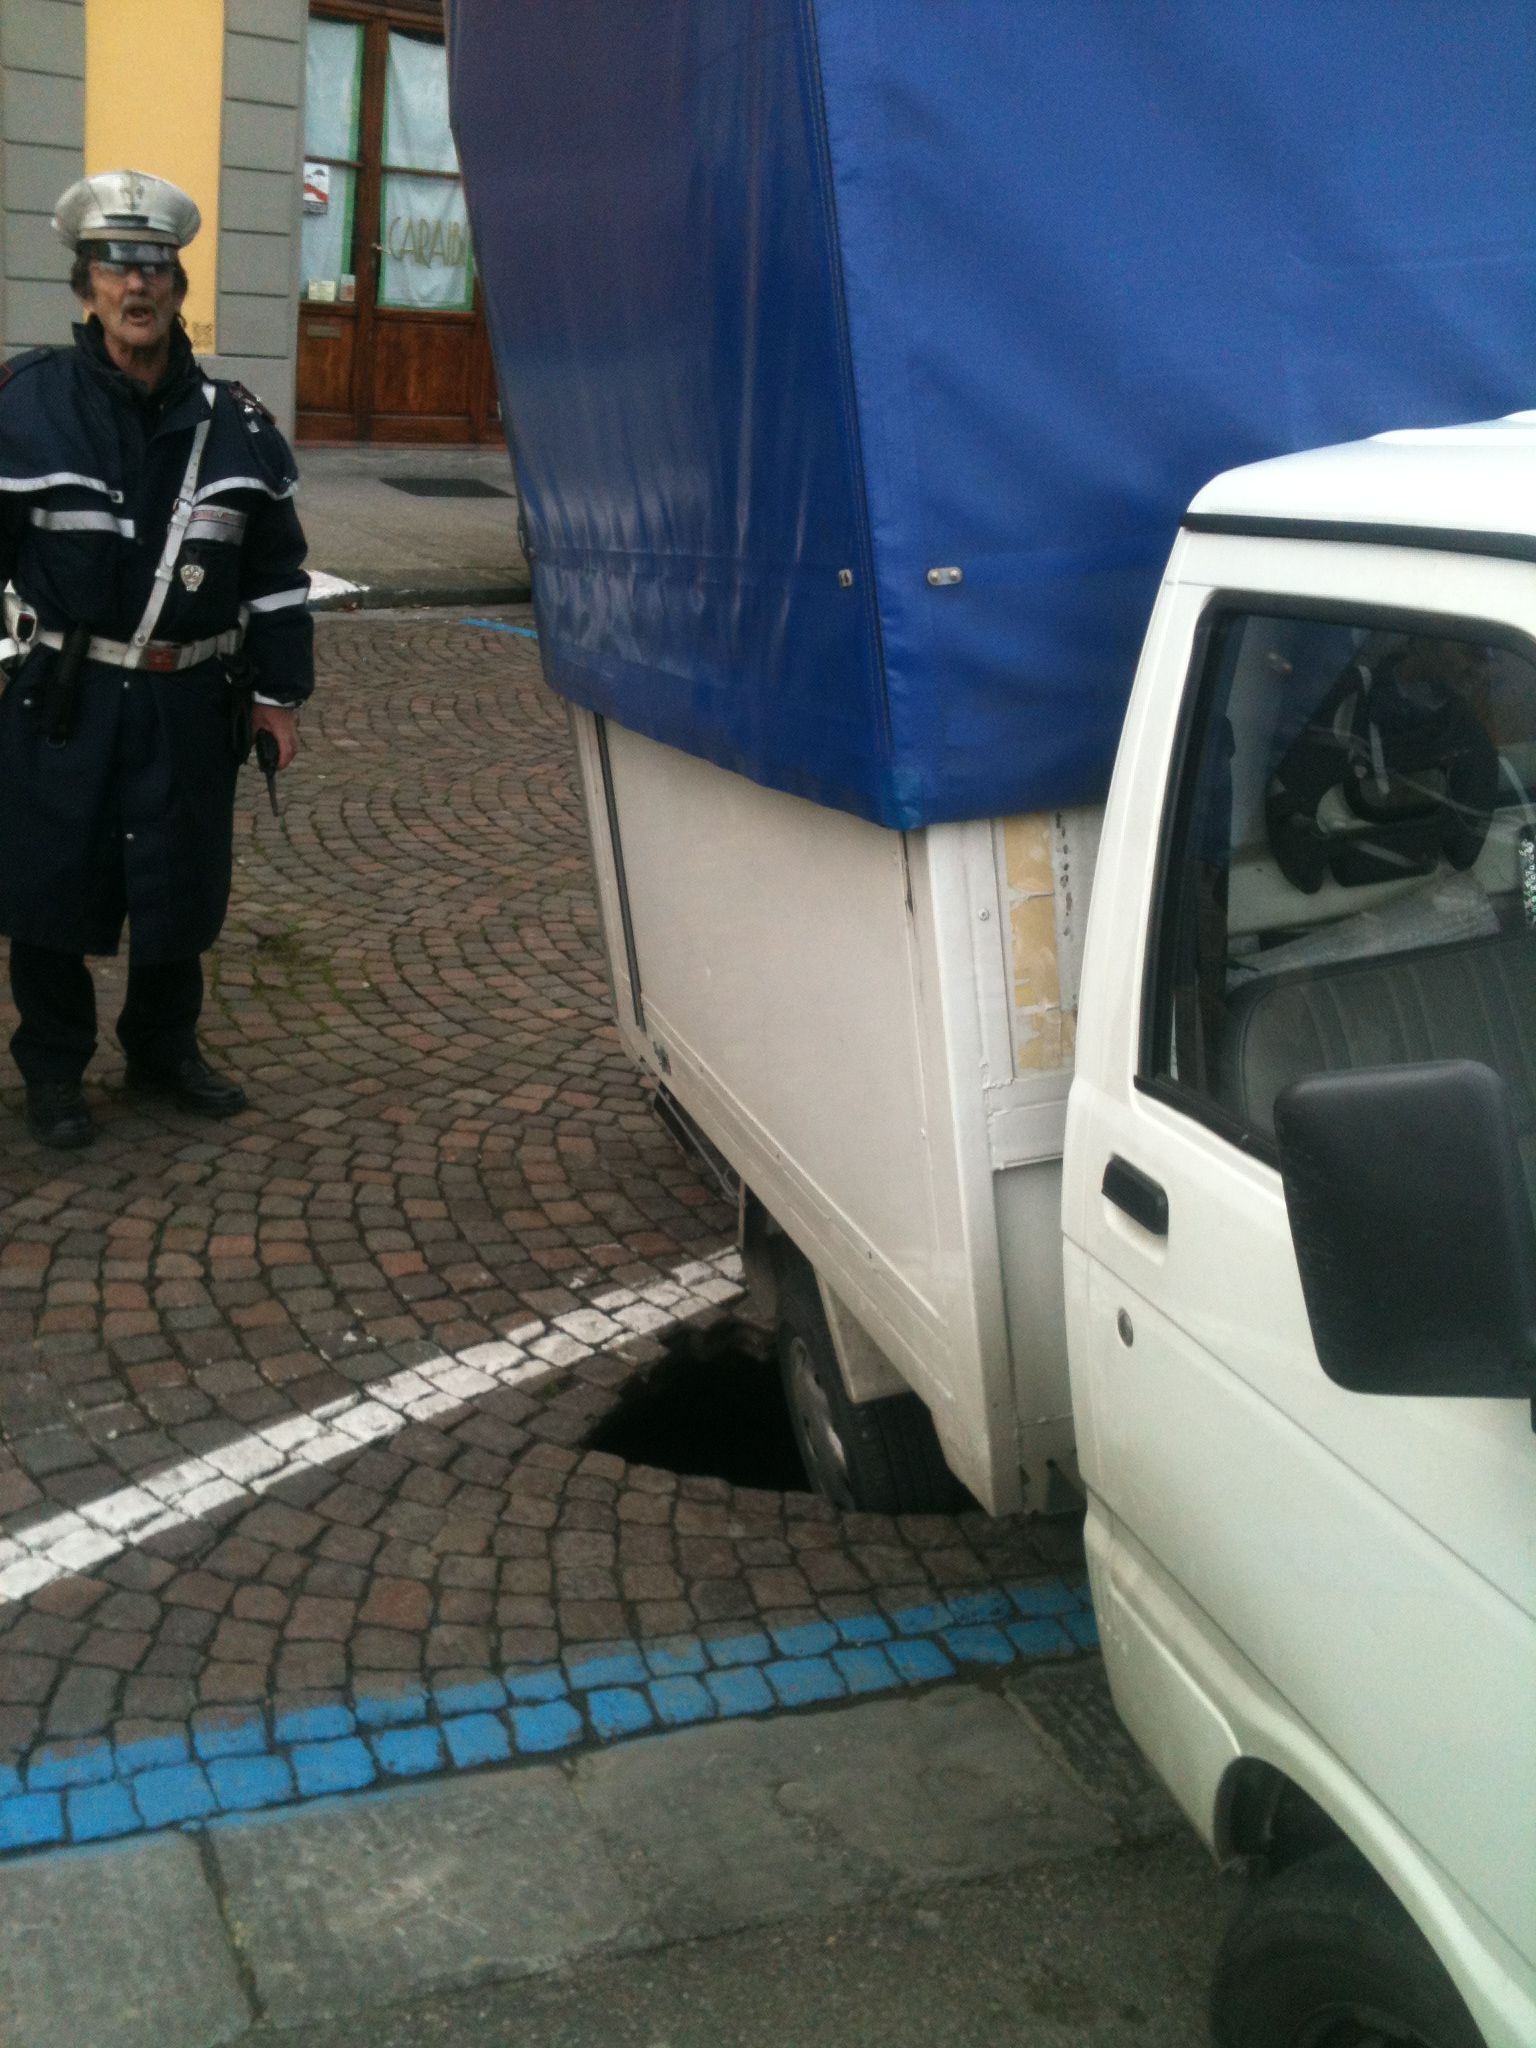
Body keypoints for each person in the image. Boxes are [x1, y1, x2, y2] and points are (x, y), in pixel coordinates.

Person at [0, 169, 313, 1148]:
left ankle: (162, 1049)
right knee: (49, 886)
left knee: (178, 882)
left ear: (178, 286)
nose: (135, 287)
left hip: (188, 699)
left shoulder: (240, 424)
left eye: (154, 268)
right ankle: (54, 1069)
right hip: (64, 695)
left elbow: (276, 573)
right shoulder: (26, 405)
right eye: (112, 266)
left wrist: (276, 695)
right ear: (85, 286)